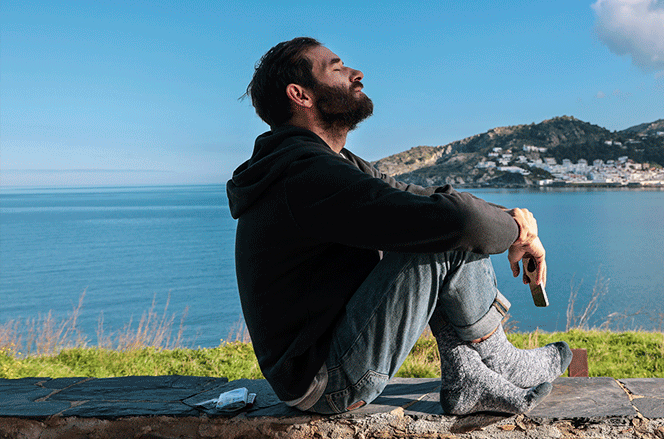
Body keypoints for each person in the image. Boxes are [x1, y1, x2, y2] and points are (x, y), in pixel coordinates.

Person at [227, 37, 572, 415]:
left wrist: (516, 221)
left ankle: (469, 373)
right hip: (327, 381)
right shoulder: (307, 175)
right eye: (337, 68)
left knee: (431, 223)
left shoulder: (323, 163)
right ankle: (498, 358)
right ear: (300, 94)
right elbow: (456, 221)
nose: (357, 74)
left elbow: (419, 198)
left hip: (321, 367)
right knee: (443, 233)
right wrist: (515, 232)